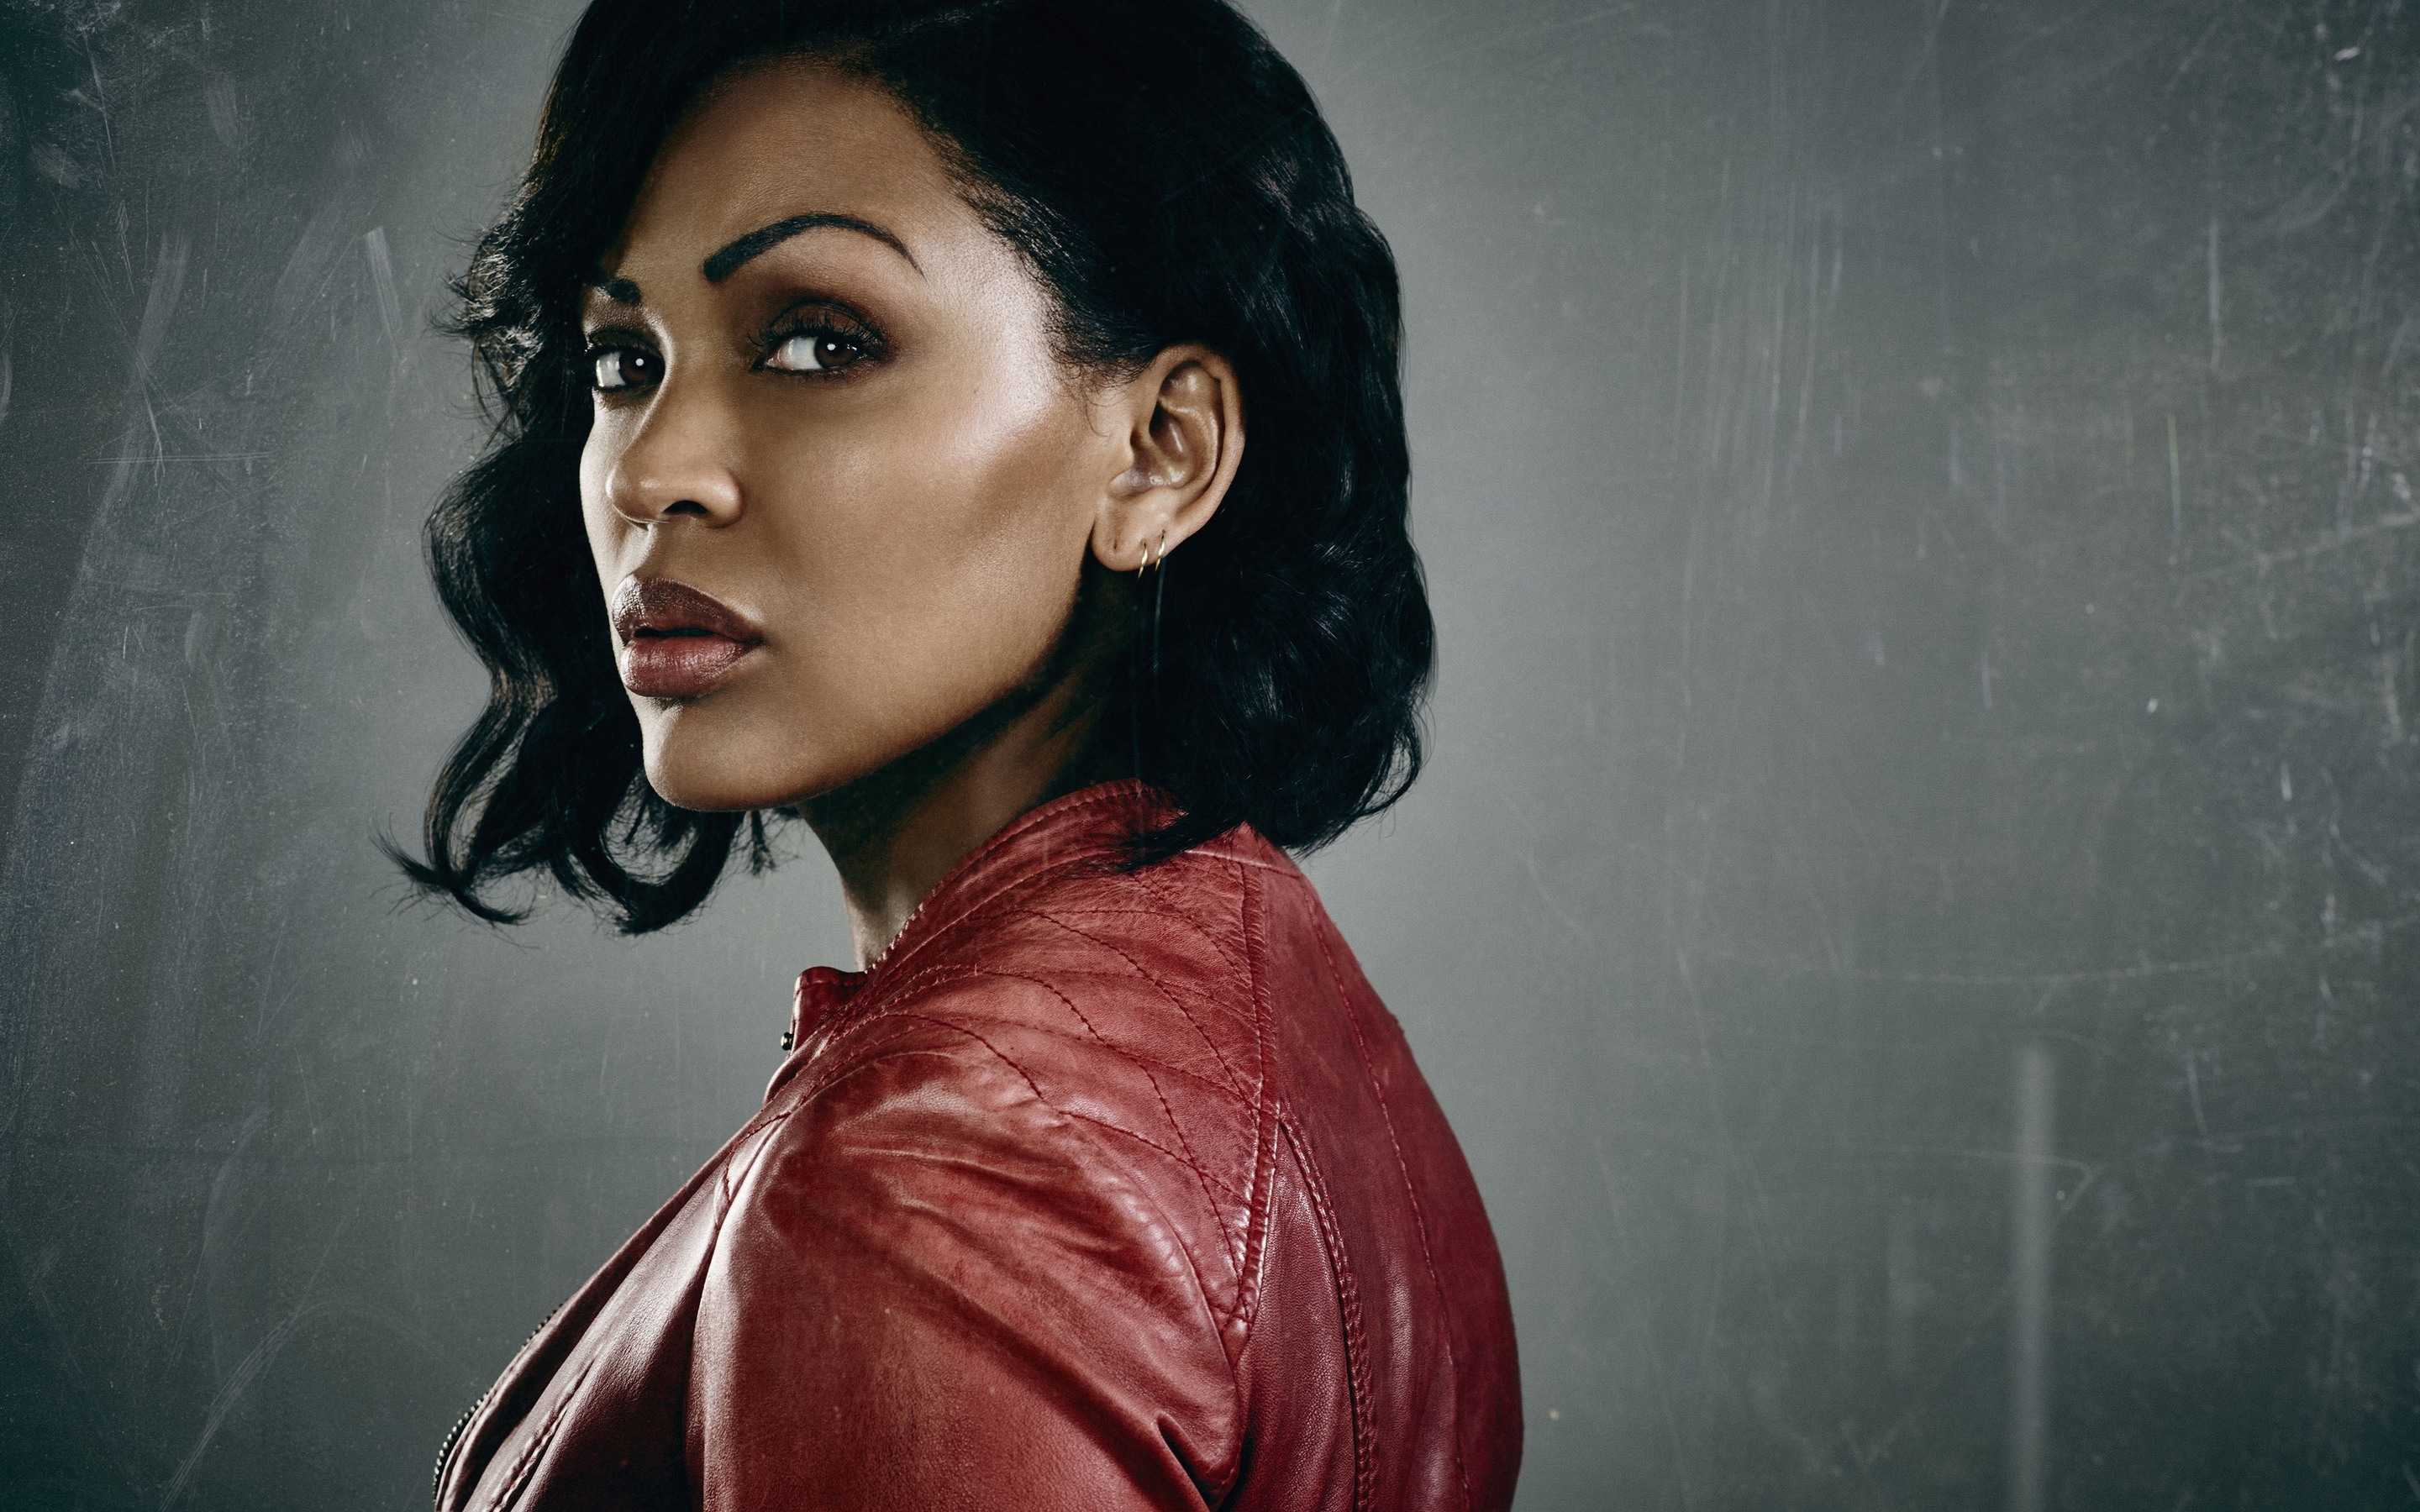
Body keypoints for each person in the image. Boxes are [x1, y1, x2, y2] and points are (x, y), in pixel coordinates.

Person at [401, 1, 1521, 1506]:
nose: (650, 469)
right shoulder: (1279, 1000)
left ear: (1161, 452)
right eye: (622, 358)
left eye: (820, 341)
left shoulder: (939, 1178)